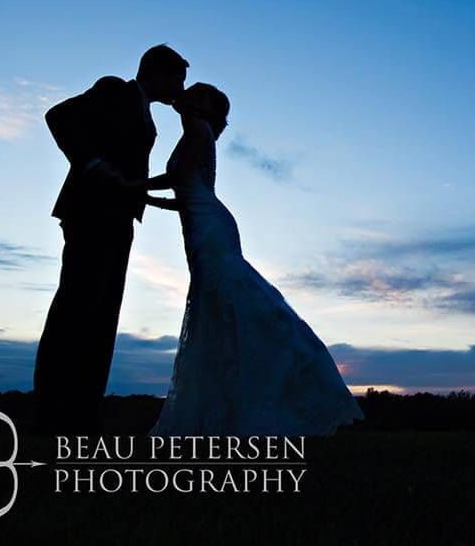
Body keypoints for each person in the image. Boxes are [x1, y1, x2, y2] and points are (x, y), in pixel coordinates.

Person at [145, 82, 364, 436]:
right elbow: (186, 193)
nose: (184, 91)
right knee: (219, 309)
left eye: (195, 91)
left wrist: (132, 186)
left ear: (202, 107)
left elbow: (176, 179)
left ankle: (288, 380)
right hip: (205, 224)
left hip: (210, 230)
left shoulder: (198, 130)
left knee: (234, 304)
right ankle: (231, 402)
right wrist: (144, 196)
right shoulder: (195, 131)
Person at [33, 44, 188, 434]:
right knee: (75, 310)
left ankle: (83, 414)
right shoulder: (115, 89)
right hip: (90, 213)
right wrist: (95, 165)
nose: (179, 88)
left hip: (119, 219)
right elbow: (59, 116)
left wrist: (147, 194)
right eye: (177, 78)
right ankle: (52, 412)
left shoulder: (146, 112)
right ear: (155, 71)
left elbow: (129, 174)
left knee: (102, 317)